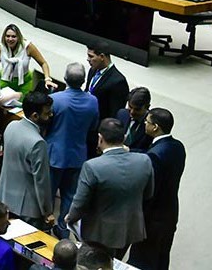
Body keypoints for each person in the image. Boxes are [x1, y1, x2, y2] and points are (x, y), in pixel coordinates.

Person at [65, 118, 154, 258]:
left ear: (100, 138)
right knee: (116, 261)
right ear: (124, 138)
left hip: (100, 232)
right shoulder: (144, 160)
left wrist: (70, 218)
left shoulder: (92, 166)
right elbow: (148, 194)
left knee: (97, 263)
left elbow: (80, 202)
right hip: (130, 227)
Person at [127, 108, 186, 270]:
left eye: (147, 122)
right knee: (161, 259)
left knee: (142, 260)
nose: (145, 124)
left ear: (155, 127)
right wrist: (131, 151)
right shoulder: (177, 147)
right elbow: (152, 155)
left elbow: (149, 191)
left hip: (152, 219)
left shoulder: (155, 156)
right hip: (169, 214)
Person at [46, 63, 99, 239]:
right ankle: (63, 228)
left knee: (49, 192)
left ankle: (45, 223)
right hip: (77, 156)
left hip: (54, 154)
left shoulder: (55, 99)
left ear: (65, 78)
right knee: (70, 195)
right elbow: (93, 127)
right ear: (84, 80)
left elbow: (47, 125)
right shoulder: (93, 101)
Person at [0, 91, 54, 229]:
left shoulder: (11, 126)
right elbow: (41, 182)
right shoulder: (38, 143)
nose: (50, 115)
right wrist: (47, 212)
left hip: (4, 199)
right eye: (47, 113)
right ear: (35, 116)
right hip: (28, 209)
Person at [0, 24, 54, 97]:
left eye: (13, 36)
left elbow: (43, 63)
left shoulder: (28, 47)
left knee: (21, 106)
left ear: (19, 37)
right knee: (5, 104)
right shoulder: (0, 49)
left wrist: (47, 79)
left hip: (24, 82)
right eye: (7, 36)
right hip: (6, 80)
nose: (10, 39)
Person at [85, 42, 129, 121]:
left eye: (91, 56)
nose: (88, 59)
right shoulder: (92, 70)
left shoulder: (119, 81)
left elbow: (114, 113)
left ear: (102, 57)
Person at [116, 87, 152, 152]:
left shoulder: (152, 124)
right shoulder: (122, 114)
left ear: (147, 107)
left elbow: (150, 151)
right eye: (130, 106)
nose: (132, 112)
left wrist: (129, 150)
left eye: (137, 109)